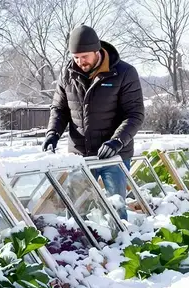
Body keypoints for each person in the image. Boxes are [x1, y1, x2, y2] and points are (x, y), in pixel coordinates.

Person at [43, 25, 144, 219]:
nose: (80, 62)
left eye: (85, 56)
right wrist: (52, 133)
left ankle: (119, 245)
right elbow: (59, 109)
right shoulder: (67, 74)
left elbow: (135, 114)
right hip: (81, 155)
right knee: (77, 211)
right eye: (76, 57)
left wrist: (117, 141)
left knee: (116, 208)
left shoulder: (123, 73)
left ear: (97, 51)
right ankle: (81, 245)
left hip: (114, 156)